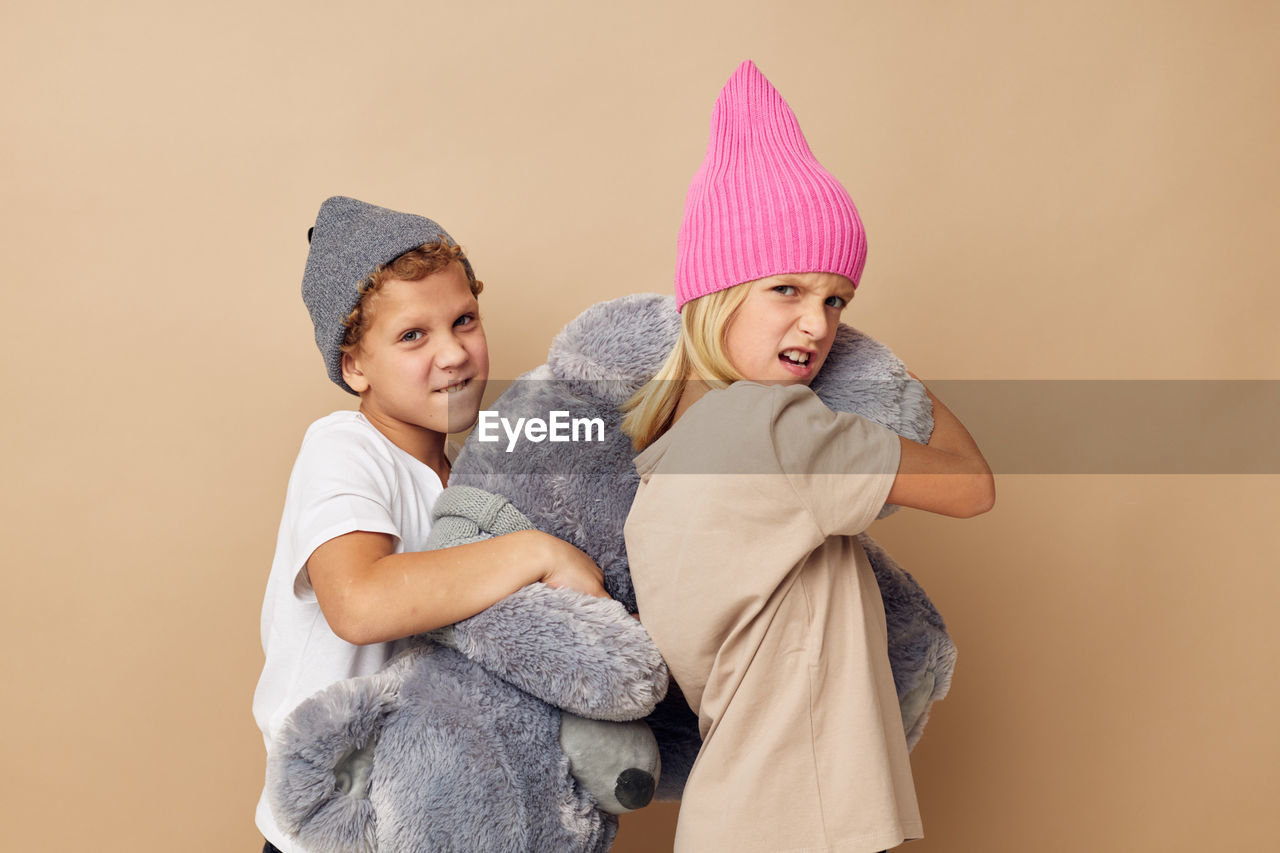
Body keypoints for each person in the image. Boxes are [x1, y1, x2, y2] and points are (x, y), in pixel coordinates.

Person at [621, 62, 995, 853]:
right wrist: (879, 364)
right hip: (808, 824)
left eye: (837, 301)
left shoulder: (657, 469)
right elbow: (971, 484)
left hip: (741, 819)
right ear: (716, 292)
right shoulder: (773, 426)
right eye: (786, 288)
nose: (819, 325)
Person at [253, 196, 609, 853]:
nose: (454, 353)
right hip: (333, 820)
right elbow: (359, 602)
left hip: (428, 813)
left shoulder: (468, 482)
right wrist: (535, 552)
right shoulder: (345, 447)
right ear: (354, 365)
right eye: (413, 335)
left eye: (464, 320)